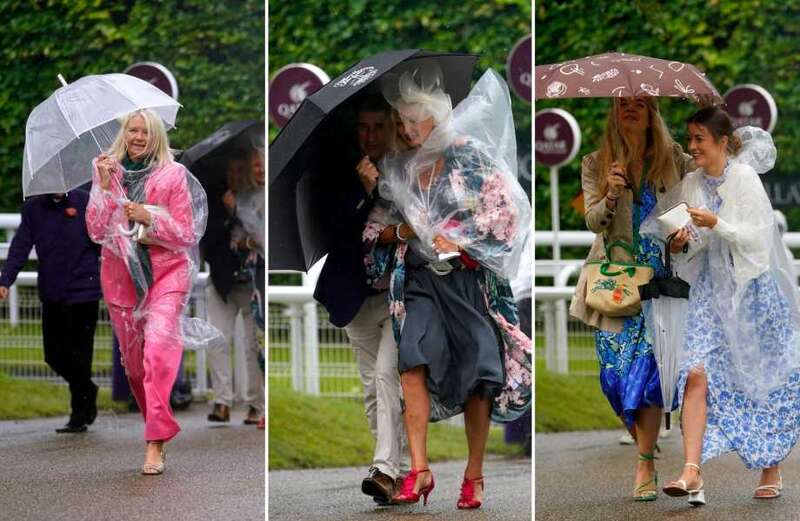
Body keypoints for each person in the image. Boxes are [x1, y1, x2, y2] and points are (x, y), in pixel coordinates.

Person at [364, 68, 531, 510]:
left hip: (469, 281)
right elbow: (373, 230)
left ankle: (473, 475)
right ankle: (419, 470)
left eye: (413, 119)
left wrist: (461, 239)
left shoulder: (470, 157)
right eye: (400, 121)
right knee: (411, 360)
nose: (405, 128)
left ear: (436, 117)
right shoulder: (396, 169)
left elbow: (507, 217)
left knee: (480, 372)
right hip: (419, 283)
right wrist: (403, 231)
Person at [660, 108, 800, 504]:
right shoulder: (690, 183)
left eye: (699, 139)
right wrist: (681, 240)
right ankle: (691, 471)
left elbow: (757, 240)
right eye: (690, 139)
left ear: (722, 142)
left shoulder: (745, 179)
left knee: (761, 377)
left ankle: (771, 465)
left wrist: (715, 223)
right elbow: (695, 246)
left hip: (750, 290)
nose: (692, 147)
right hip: (709, 292)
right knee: (696, 373)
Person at [569, 96, 694, 501]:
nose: (630, 108)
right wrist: (609, 195)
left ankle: (645, 462)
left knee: (648, 373)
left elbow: (707, 187)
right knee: (615, 380)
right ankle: (644, 438)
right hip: (614, 281)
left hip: (657, 281)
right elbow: (592, 221)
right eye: (623, 103)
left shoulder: (673, 157)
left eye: (640, 103)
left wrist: (684, 234)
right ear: (613, 112)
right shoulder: (595, 163)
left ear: (652, 112)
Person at [86, 108, 207, 475]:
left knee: (157, 349)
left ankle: (155, 441)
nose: (138, 137)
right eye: (132, 130)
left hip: (166, 275)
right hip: (121, 278)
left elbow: (187, 233)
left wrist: (150, 217)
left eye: (145, 131)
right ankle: (155, 423)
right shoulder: (108, 171)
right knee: (136, 368)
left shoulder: (174, 175)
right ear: (125, 133)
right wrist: (105, 190)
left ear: (156, 136)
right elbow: (94, 230)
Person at [313, 93, 410, 504]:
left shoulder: (410, 169)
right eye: (363, 128)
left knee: (389, 376)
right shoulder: (341, 171)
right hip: (355, 295)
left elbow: (422, 223)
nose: (370, 135)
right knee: (373, 389)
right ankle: (396, 472)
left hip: (399, 296)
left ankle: (384, 469)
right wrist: (362, 190)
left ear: (392, 128)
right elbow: (332, 233)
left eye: (378, 127)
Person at [0, 190, 101, 433]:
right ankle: (88, 390)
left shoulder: (85, 201)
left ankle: (79, 413)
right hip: (52, 292)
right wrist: (5, 280)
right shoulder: (33, 209)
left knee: (81, 356)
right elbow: (20, 246)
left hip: (84, 291)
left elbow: (101, 240)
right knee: (53, 355)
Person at [203, 149, 264, 425]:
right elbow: (207, 242)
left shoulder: (259, 198)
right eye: (231, 172)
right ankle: (222, 401)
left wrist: (238, 212)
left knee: (253, 345)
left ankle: (256, 405)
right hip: (222, 281)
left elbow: (261, 238)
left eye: (241, 171)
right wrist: (227, 215)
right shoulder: (214, 202)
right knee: (217, 340)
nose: (235, 176)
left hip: (252, 284)